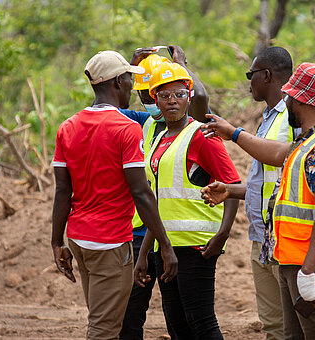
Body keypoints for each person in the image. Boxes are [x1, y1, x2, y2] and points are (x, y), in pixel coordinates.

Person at [201, 63, 315, 340]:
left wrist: (308, 272)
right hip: (294, 260)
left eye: (290, 98)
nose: (286, 103)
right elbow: (276, 154)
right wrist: (234, 134)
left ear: (301, 101)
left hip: (314, 264)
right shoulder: (307, 143)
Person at [51, 50, 177, 340]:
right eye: (129, 80)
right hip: (109, 243)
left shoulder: (67, 127)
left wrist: (57, 242)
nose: (133, 87)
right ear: (118, 83)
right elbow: (141, 193)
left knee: (101, 317)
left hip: (79, 240)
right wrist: (165, 245)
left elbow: (62, 191)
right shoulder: (127, 128)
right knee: (104, 331)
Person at [134, 61, 240, 339]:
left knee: (201, 323)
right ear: (154, 99)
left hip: (196, 246)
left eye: (179, 94)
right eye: (165, 96)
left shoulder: (201, 135)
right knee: (178, 327)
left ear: (189, 97)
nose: (172, 101)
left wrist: (222, 235)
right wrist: (145, 252)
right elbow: (156, 203)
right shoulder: (159, 140)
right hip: (164, 246)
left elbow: (233, 185)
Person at [201, 46, 295, 339]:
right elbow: (269, 183)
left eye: (250, 75)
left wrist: (234, 134)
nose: (248, 82)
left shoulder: (292, 113)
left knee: (294, 327)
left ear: (266, 75)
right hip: (261, 237)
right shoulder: (268, 116)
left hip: (284, 236)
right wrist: (230, 191)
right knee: (272, 327)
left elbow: (280, 157)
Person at [118, 45, 209, 340]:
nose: (151, 102)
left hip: (178, 235)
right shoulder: (142, 123)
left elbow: (202, 99)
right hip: (140, 235)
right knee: (129, 315)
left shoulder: (187, 125)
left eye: (153, 94)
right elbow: (110, 106)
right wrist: (129, 70)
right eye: (146, 96)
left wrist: (182, 66)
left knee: (186, 319)